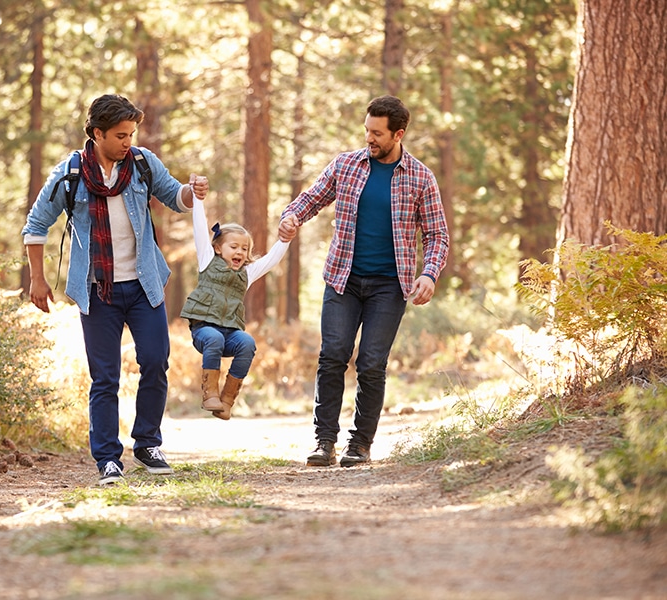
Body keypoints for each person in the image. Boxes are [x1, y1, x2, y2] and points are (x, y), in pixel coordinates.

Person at [22, 94, 209, 485]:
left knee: (156, 361)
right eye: (121, 135)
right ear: (96, 133)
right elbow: (36, 225)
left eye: (131, 134)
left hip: (144, 286)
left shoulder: (140, 163)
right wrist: (37, 279)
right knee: (104, 378)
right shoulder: (70, 175)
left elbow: (176, 197)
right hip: (98, 290)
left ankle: (146, 444)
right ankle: (108, 458)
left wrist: (194, 191)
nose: (128, 142)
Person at [278, 95, 449, 468]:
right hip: (344, 279)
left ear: (398, 134)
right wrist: (291, 217)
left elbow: (437, 235)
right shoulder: (346, 165)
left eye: (377, 133)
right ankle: (325, 442)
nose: (369, 139)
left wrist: (429, 273)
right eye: (367, 131)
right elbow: (311, 198)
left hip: (390, 286)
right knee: (333, 355)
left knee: (371, 363)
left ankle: (360, 444)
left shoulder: (420, 177)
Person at [180, 194, 294, 421]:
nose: (240, 252)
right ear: (219, 248)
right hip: (204, 330)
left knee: (247, 342)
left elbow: (271, 260)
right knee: (213, 337)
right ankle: (209, 393)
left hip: (230, 333)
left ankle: (227, 400)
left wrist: (285, 240)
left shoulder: (247, 274)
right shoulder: (206, 260)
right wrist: (198, 198)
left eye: (245, 248)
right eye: (234, 247)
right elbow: (200, 228)